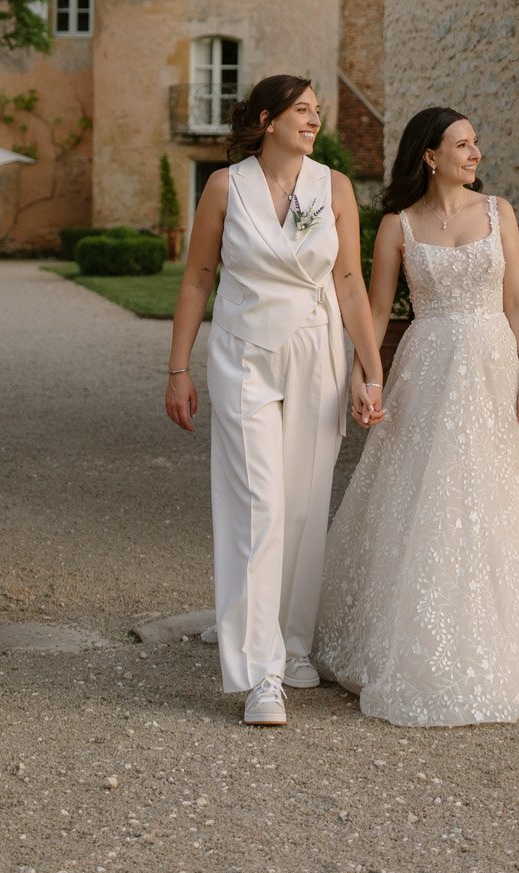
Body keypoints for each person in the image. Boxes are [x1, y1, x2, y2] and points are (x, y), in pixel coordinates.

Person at [314, 106, 519, 725]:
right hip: (429, 370)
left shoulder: (499, 213)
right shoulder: (397, 226)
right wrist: (367, 375)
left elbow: (518, 303)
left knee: (504, 496)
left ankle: (518, 637)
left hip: (495, 370)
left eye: (476, 144)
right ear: (430, 156)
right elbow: (380, 312)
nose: (475, 154)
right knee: (425, 499)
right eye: (463, 145)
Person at [164, 74, 384, 727]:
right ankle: (259, 674)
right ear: (266, 119)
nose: (313, 120)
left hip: (316, 353)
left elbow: (348, 284)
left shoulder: (333, 187)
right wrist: (178, 368)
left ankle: (291, 644)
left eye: (316, 111)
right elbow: (198, 277)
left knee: (304, 503)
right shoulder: (225, 187)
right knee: (258, 505)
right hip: (243, 356)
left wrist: (370, 372)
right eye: (301, 110)